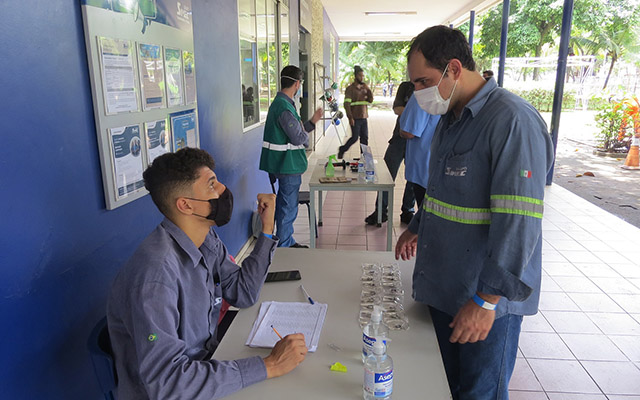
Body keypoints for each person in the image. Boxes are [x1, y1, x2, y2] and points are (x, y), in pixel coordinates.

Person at [395, 26, 554, 399]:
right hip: (444, 288)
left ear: (453, 68)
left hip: (484, 301)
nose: (418, 93)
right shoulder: (450, 120)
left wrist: (486, 301)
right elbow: (440, 189)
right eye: (414, 83)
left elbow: (519, 221)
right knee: (443, 387)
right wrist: (418, 224)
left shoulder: (512, 121)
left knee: (479, 393)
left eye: (424, 81)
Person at [107, 148, 309, 399]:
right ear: (186, 205)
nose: (223, 189)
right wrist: (268, 365)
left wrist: (267, 229)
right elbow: (168, 384)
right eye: (211, 185)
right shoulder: (156, 277)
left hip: (206, 363)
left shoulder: (204, 239)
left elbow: (242, 292)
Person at [259, 65, 322, 248]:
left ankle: (287, 240)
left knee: (286, 204)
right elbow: (298, 138)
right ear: (297, 83)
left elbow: (297, 132)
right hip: (287, 165)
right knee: (288, 207)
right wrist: (304, 131)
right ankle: (284, 245)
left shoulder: (283, 104)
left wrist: (310, 123)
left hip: (284, 164)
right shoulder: (283, 107)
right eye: (300, 83)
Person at [364, 81, 417, 226]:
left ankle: (408, 210)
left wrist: (409, 110)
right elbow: (397, 109)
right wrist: (417, 110)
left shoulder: (430, 87)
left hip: (418, 140)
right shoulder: (406, 87)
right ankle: (380, 211)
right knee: (386, 174)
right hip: (399, 137)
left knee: (413, 177)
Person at [398, 88, 440, 209]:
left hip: (422, 165)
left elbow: (409, 132)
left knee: (424, 211)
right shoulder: (448, 94)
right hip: (437, 165)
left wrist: (401, 130)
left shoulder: (422, 96)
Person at [338, 65, 373, 159]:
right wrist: (350, 117)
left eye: (363, 76)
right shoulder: (350, 89)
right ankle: (342, 149)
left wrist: (368, 89)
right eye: (360, 76)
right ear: (355, 76)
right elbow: (346, 104)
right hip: (355, 118)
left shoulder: (364, 88)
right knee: (354, 138)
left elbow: (370, 100)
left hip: (364, 117)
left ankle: (364, 157)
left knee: (364, 138)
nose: (362, 78)